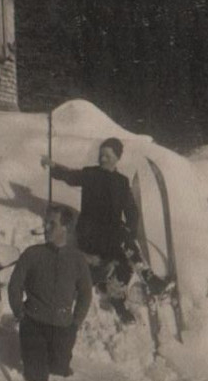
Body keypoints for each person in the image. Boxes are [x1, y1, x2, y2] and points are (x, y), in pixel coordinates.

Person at [42, 137, 139, 325]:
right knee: (108, 259)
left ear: (117, 158)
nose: (102, 159)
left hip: (112, 232)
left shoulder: (122, 182)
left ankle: (116, 296)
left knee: (126, 261)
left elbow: (132, 212)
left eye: (107, 156)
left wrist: (130, 231)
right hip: (90, 231)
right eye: (101, 155)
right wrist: (53, 167)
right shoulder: (91, 174)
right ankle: (98, 280)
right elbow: (70, 176)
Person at [8, 204, 92, 381]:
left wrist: (75, 323)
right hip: (34, 327)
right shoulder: (32, 254)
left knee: (59, 374)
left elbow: (85, 293)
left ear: (66, 228)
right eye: (45, 223)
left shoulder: (77, 260)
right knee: (36, 379)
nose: (45, 228)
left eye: (51, 224)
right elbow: (15, 285)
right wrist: (20, 313)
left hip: (63, 329)